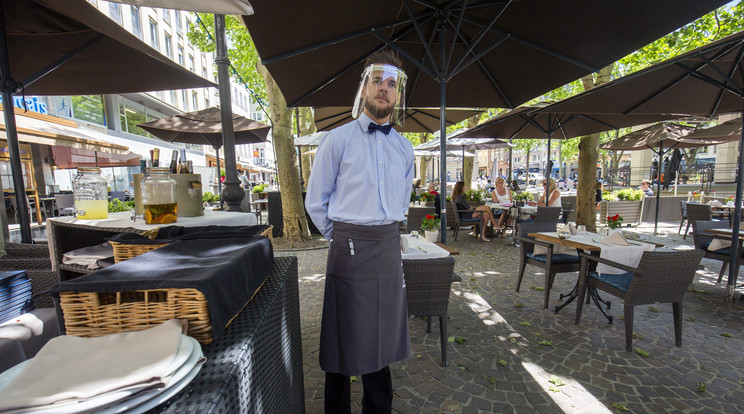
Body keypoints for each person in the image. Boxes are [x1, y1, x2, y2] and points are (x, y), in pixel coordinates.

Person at [305, 49, 413, 414]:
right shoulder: (336, 140)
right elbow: (315, 201)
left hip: (387, 248)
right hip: (348, 246)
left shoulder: (405, 148)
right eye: (377, 81)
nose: (384, 88)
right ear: (364, 87)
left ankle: (378, 410)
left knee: (379, 339)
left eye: (392, 83)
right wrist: (340, 237)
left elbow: (403, 199)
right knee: (343, 338)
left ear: (397, 94)